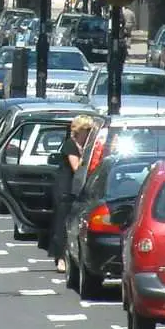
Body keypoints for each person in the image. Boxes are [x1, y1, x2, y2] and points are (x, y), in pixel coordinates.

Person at [50, 115, 96, 273]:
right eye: (86, 130)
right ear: (79, 130)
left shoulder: (88, 146)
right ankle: (61, 257)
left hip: (77, 188)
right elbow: (76, 168)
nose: (89, 133)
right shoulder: (71, 145)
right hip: (65, 187)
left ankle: (70, 255)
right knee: (62, 223)